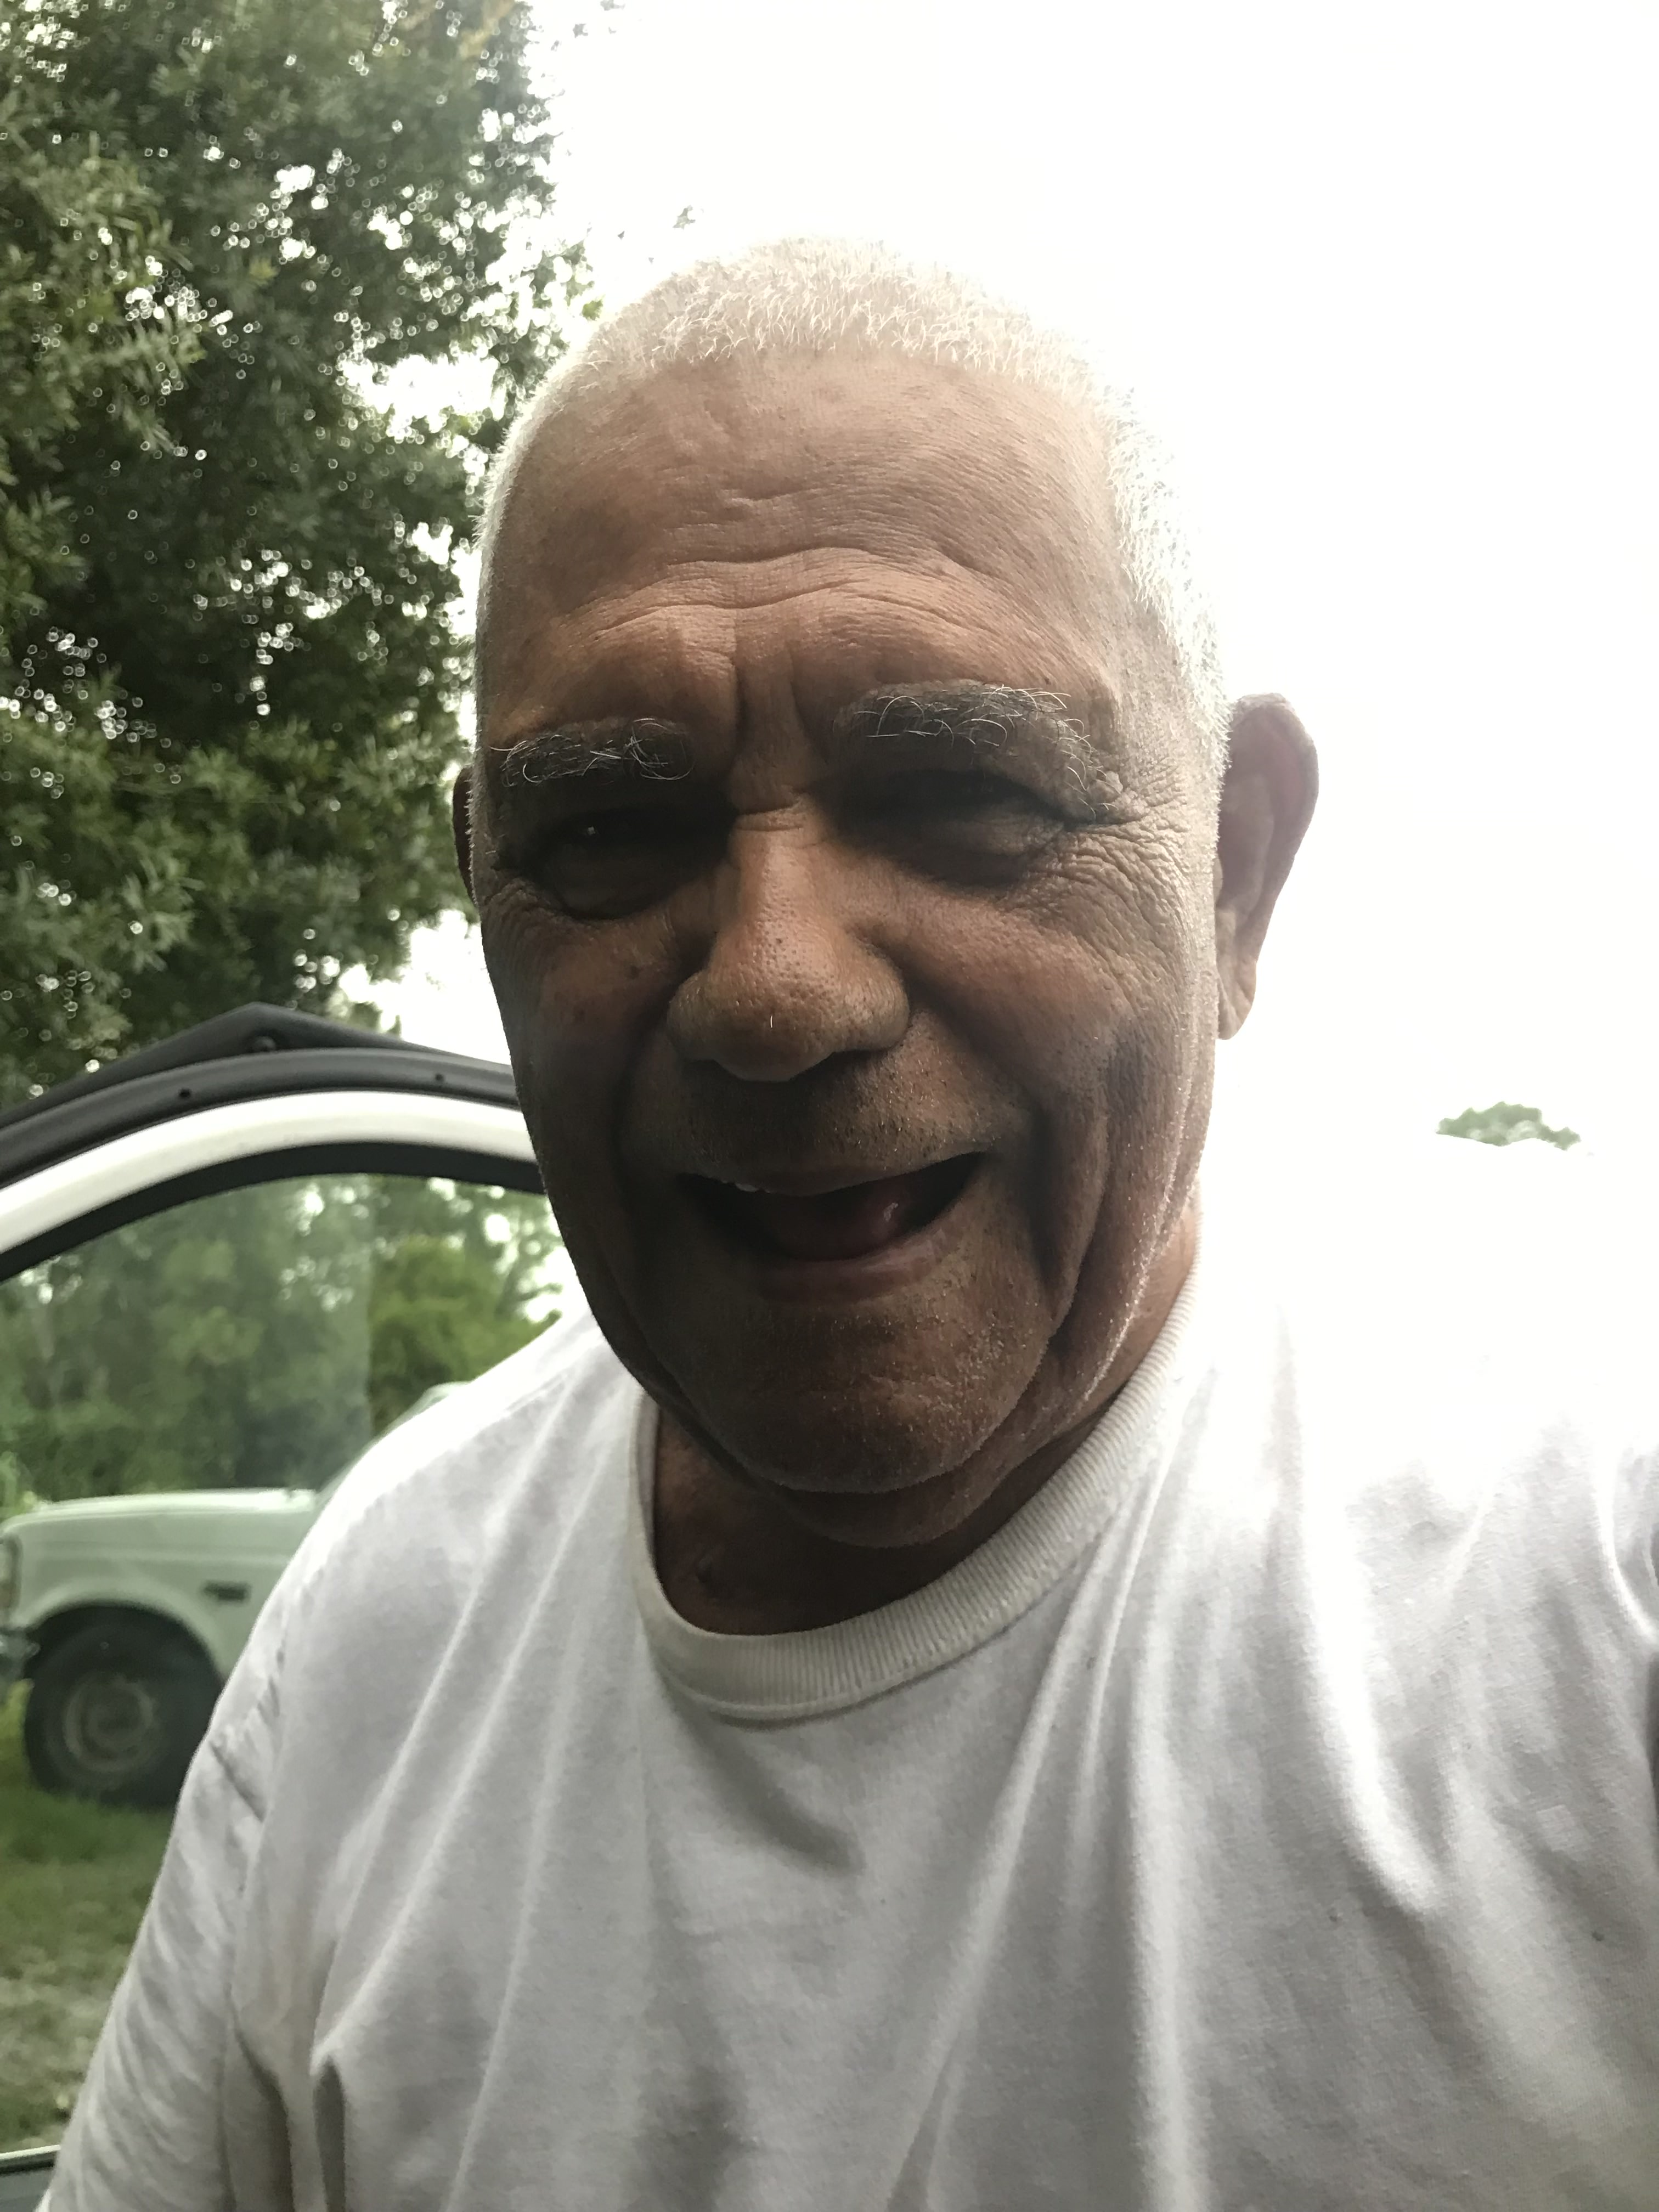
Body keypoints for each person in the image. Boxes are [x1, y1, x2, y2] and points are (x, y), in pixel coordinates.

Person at [46, 240, 1659, 2211]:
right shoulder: (381, 1639)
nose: (776, 990)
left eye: (961, 792)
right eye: (610, 830)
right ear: (485, 882)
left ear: (1233, 873)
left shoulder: (1591, 1569)